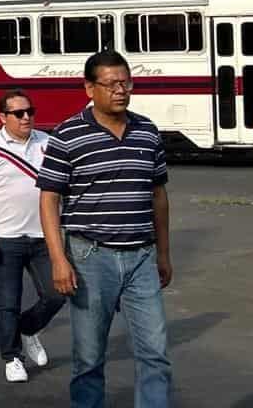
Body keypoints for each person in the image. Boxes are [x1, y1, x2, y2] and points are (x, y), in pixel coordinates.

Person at [37, 50, 172, 408]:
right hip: (90, 257)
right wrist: (57, 259)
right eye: (111, 83)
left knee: (155, 353)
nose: (120, 90)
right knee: (89, 359)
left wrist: (163, 253)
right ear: (89, 88)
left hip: (142, 257)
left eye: (126, 82)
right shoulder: (68, 135)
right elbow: (49, 199)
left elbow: (158, 195)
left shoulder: (147, 131)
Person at [0, 89, 64, 383]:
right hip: (5, 238)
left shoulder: (46, 143)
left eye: (30, 112)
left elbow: (62, 184)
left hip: (43, 236)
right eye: (19, 113)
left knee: (57, 293)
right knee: (8, 302)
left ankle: (28, 329)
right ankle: (12, 357)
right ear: (2, 118)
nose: (27, 118)